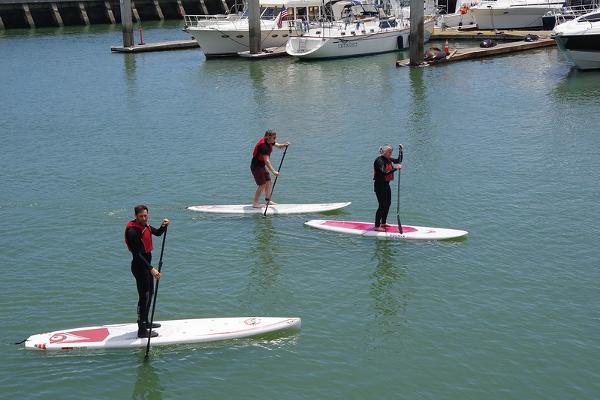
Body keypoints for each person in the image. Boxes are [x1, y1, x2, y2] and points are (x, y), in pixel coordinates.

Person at [124, 205, 170, 338]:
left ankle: (146, 323)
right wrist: (152, 269)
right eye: (141, 216)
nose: (144, 218)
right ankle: (141, 330)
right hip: (139, 267)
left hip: (146, 266)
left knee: (150, 294)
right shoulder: (133, 232)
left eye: (145, 215)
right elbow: (137, 254)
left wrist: (163, 226)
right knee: (144, 297)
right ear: (136, 216)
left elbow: (157, 233)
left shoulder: (145, 225)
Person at [250, 129, 289, 208]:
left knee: (269, 181)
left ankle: (268, 200)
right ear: (268, 137)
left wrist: (284, 145)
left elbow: (278, 145)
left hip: (261, 166)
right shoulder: (263, 146)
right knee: (262, 184)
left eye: (275, 137)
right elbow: (267, 161)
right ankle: (255, 203)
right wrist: (274, 171)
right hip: (256, 166)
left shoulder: (269, 141)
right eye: (274, 138)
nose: (275, 139)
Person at [373, 144, 403, 232]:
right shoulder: (379, 161)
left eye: (391, 152)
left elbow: (399, 160)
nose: (391, 153)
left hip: (386, 185)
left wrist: (400, 151)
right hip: (379, 186)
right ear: (384, 152)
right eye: (389, 152)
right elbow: (384, 173)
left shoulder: (388, 159)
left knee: (388, 204)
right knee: (382, 205)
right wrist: (395, 168)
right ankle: (377, 226)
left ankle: (383, 222)